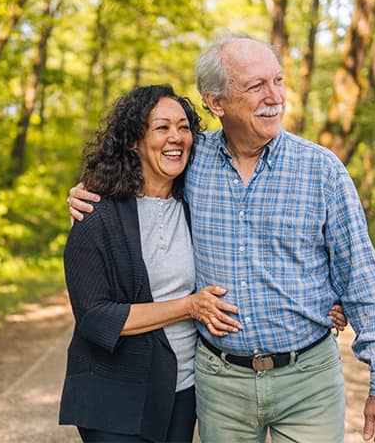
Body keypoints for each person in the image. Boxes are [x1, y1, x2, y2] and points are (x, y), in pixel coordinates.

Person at [68, 34, 375, 442]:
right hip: (220, 383)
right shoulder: (192, 161)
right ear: (216, 103)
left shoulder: (322, 171)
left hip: (308, 380)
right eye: (256, 85)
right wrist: (87, 190)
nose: (274, 95)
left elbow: (362, 280)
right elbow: (141, 171)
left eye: (277, 81)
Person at [60, 84, 243, 442]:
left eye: (184, 127)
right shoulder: (96, 213)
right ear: (134, 141)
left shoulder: (198, 207)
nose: (176, 137)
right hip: (114, 391)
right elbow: (96, 318)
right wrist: (188, 306)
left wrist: (321, 300)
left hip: (183, 389)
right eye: (161, 127)